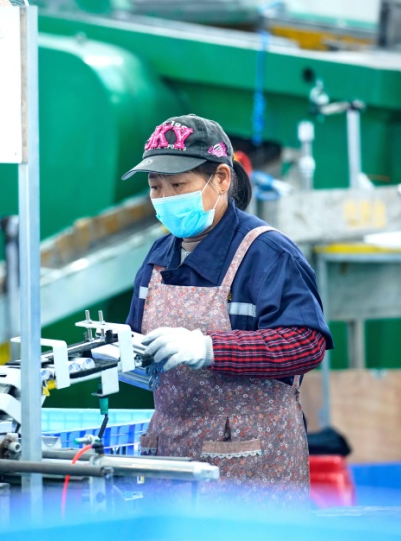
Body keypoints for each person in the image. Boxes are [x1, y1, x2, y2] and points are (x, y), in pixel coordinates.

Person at [123, 114, 334, 507]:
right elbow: (136, 338)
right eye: (156, 187)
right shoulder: (158, 258)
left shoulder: (267, 253)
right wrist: (122, 354)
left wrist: (209, 349)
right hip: (171, 458)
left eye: (178, 185)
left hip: (253, 466)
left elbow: (305, 343)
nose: (166, 199)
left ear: (221, 178)